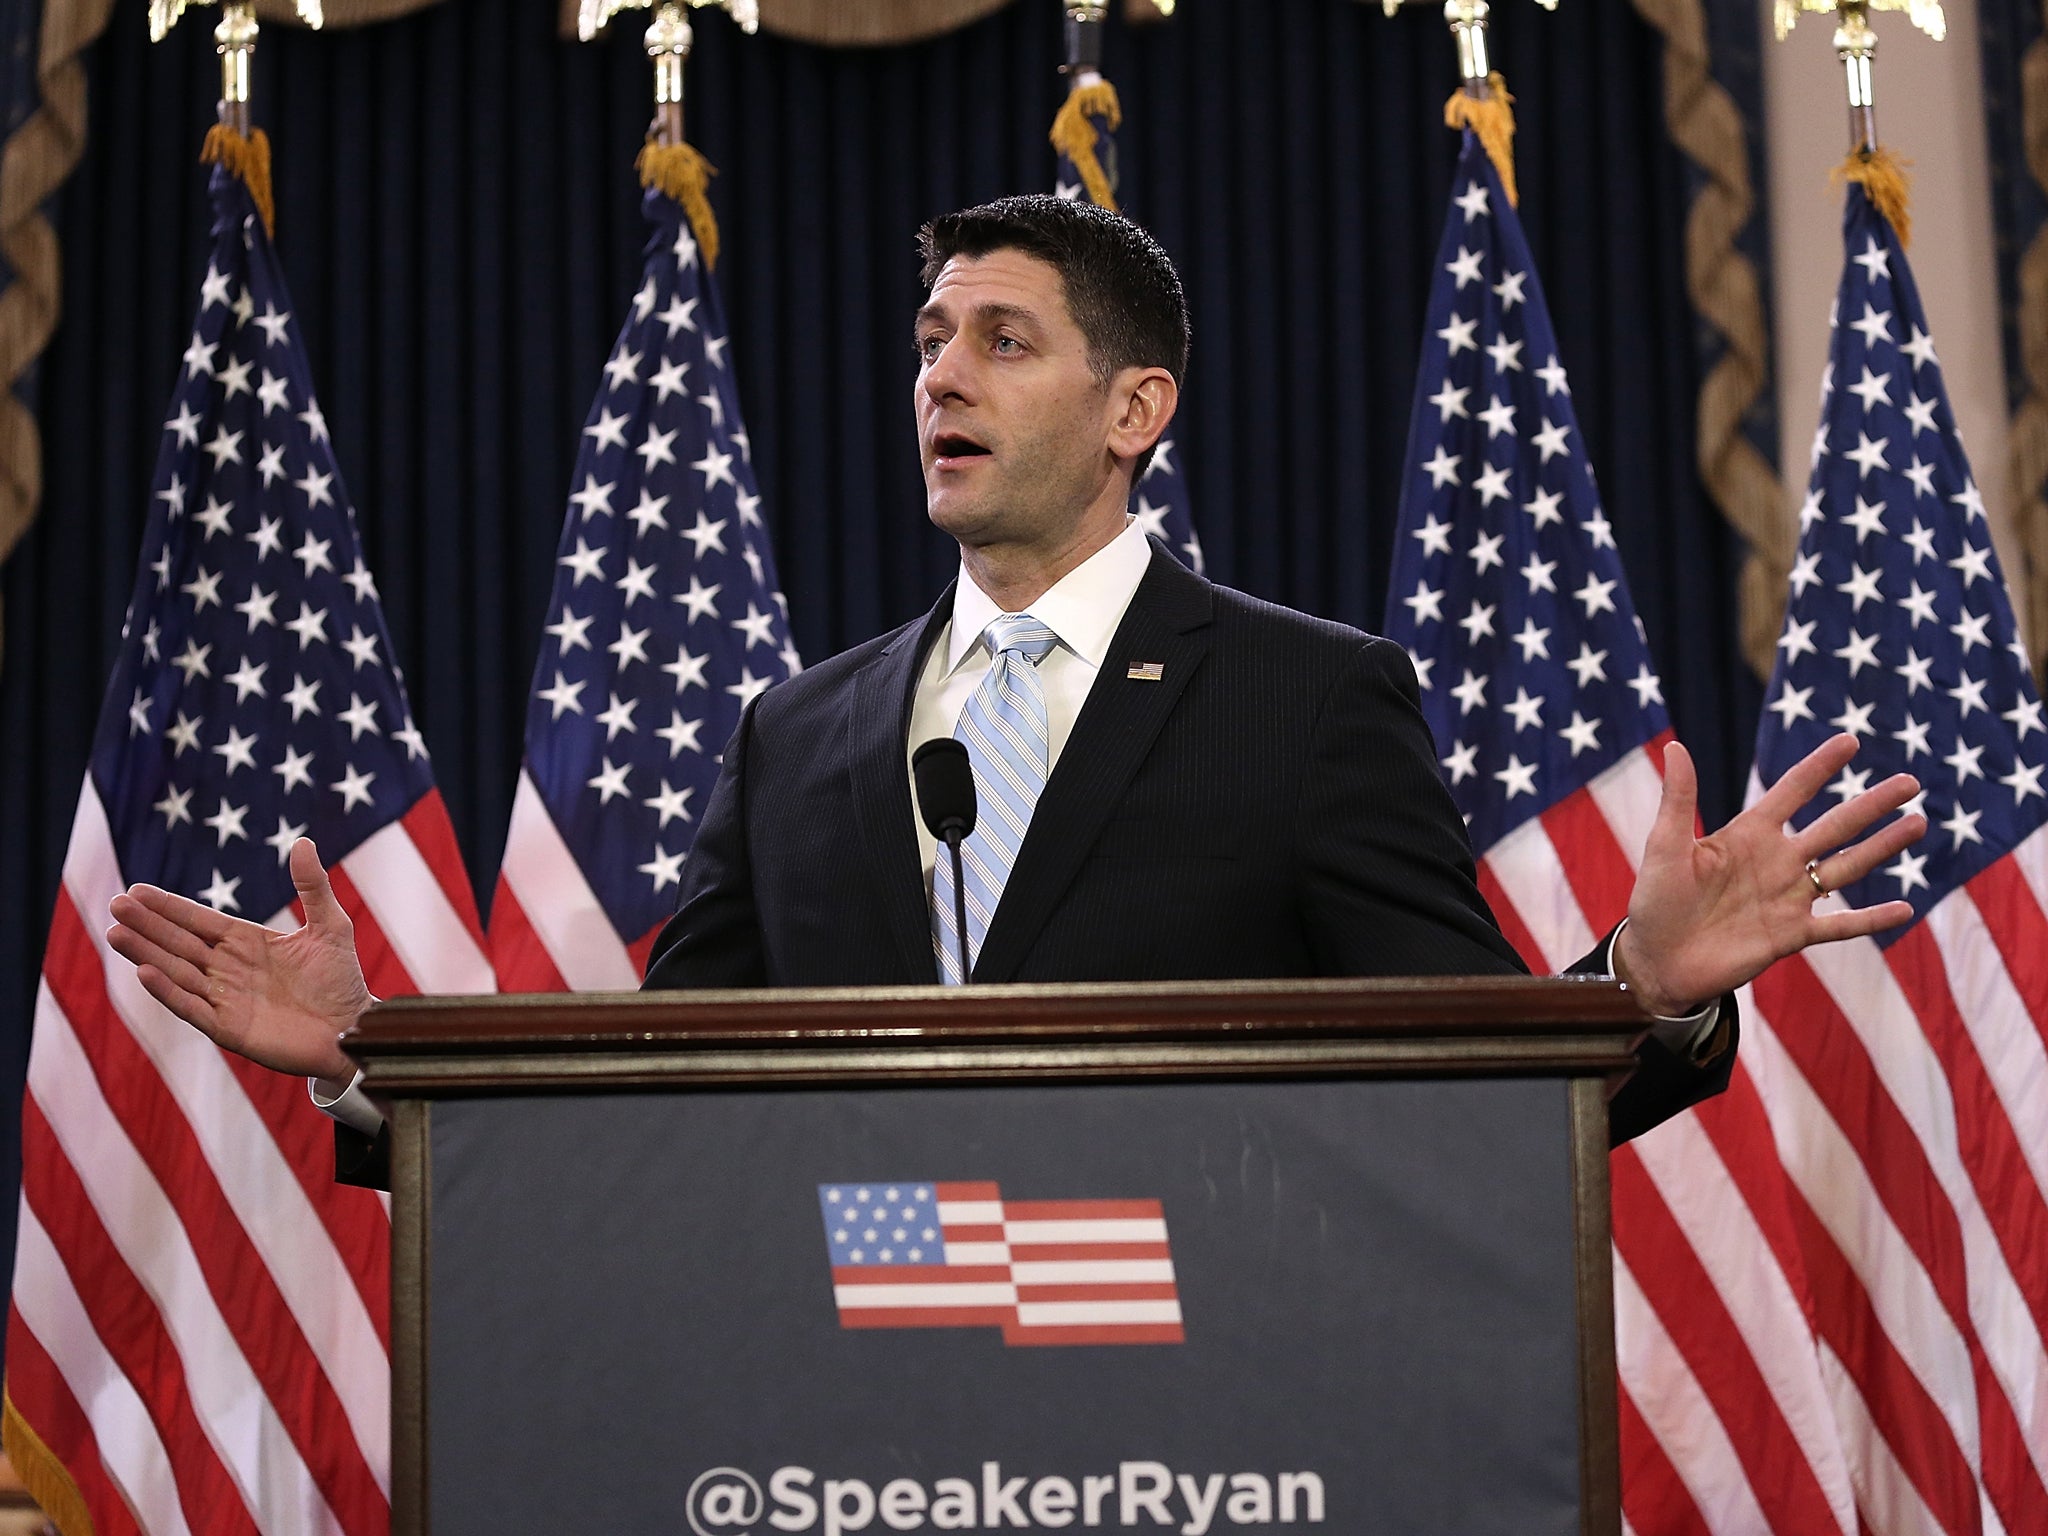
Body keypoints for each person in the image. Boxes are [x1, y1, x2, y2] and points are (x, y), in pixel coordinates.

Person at [106, 196, 1923, 1168]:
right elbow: (648, 1105)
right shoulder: (797, 731)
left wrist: (1643, 988)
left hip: (1216, 1405)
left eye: (1001, 340)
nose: (939, 379)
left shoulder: (1311, 703)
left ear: (1137, 412)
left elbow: (1455, 1093)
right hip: (851, 1420)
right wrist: (372, 1064)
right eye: (926, 343)